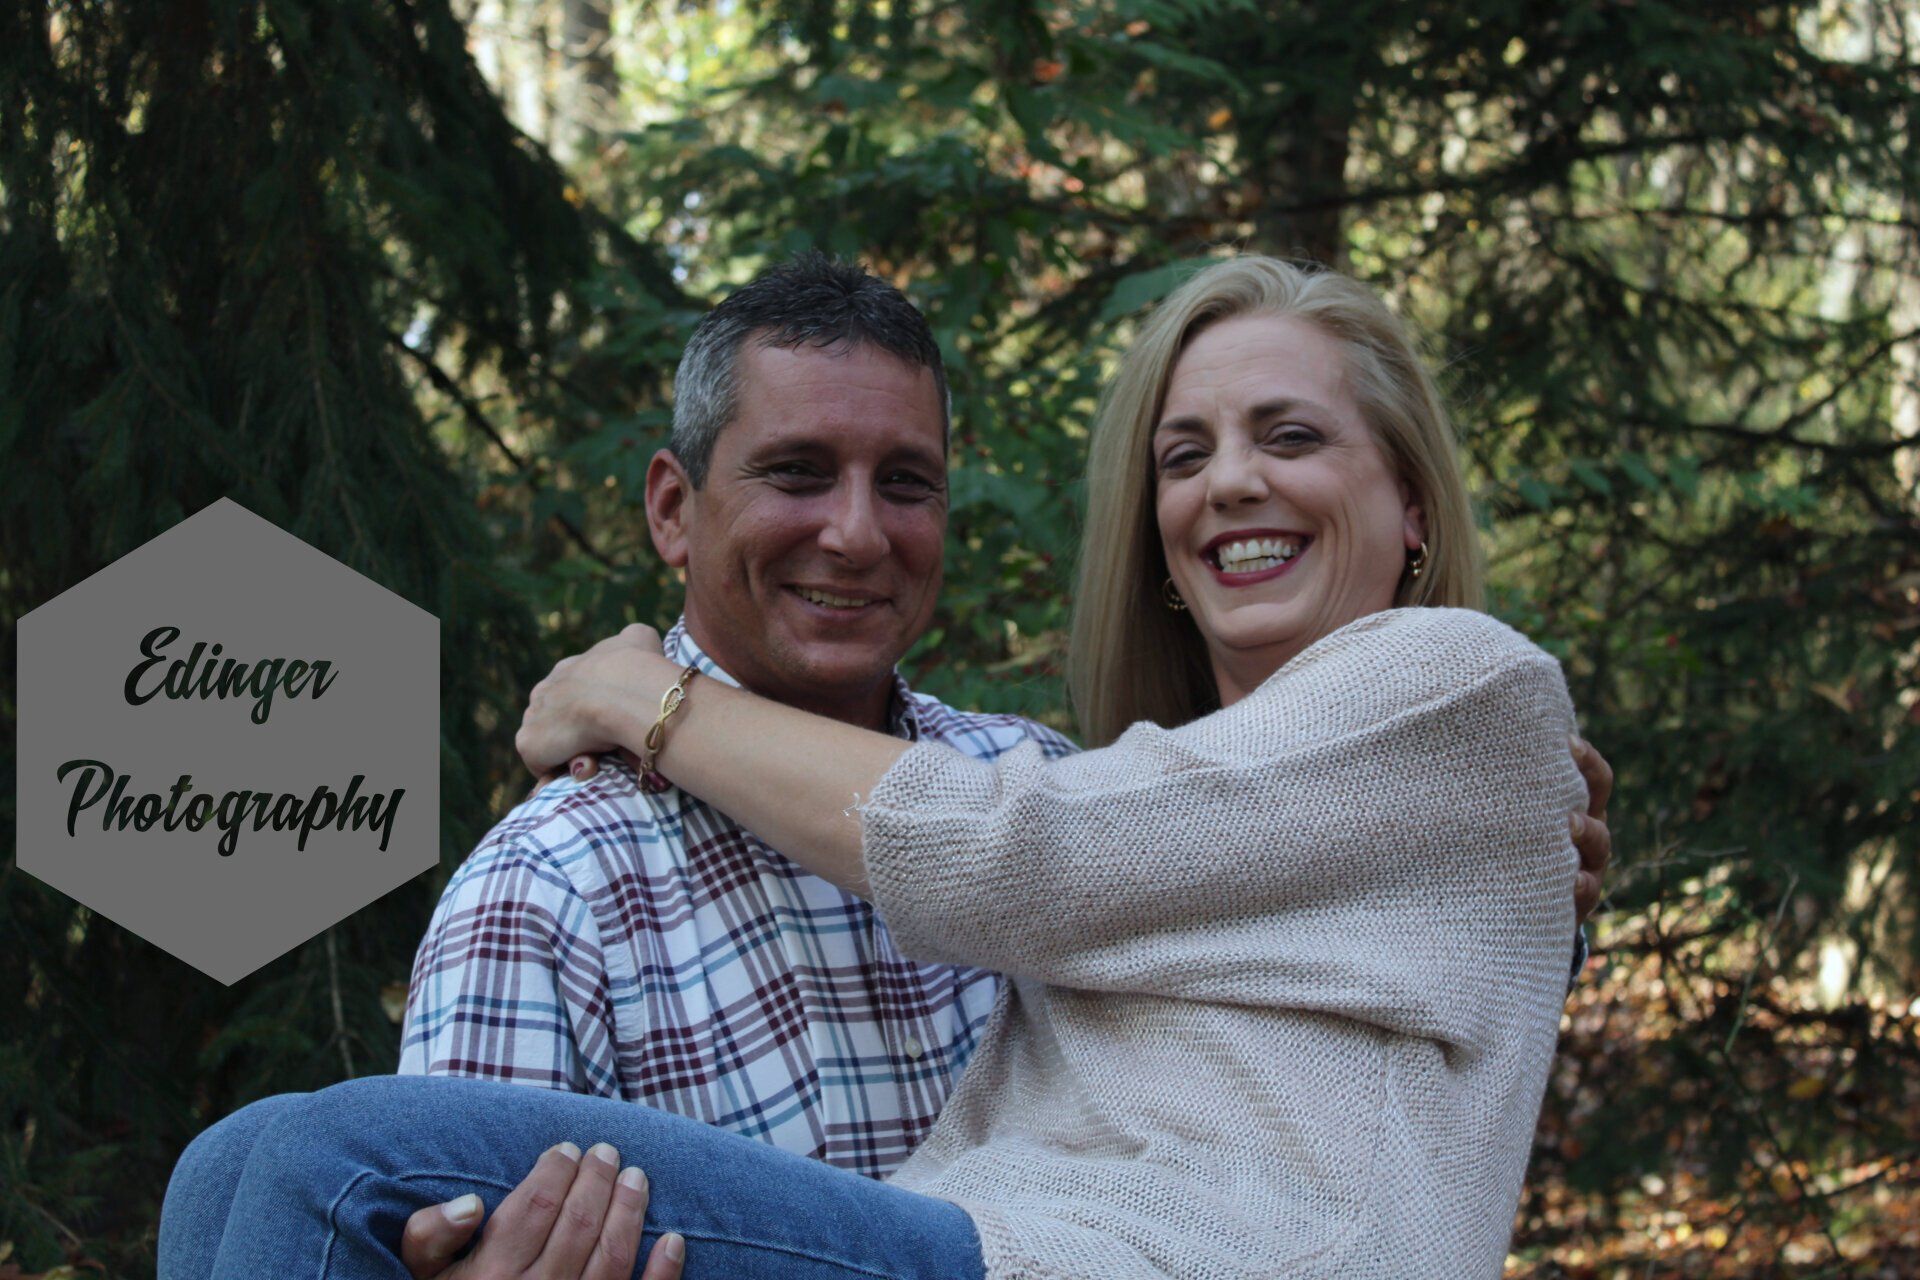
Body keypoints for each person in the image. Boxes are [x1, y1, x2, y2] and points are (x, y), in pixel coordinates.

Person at [160, 255, 1613, 1279]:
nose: (855, 533)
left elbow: (1025, 854)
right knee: (227, 1168)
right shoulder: (554, 880)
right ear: (673, 510)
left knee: (307, 1167)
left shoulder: (1423, 686)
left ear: (1413, 503)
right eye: (1184, 456)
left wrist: (643, 692)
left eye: (1290, 436)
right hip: (989, 1246)